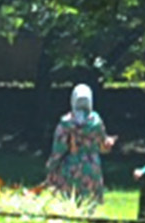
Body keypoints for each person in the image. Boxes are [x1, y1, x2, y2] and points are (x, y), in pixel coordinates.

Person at [46, 83, 112, 211]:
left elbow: (58, 148)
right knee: (89, 206)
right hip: (92, 166)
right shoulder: (96, 122)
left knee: (68, 205)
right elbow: (103, 144)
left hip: (70, 165)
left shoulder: (66, 123)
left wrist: (52, 166)